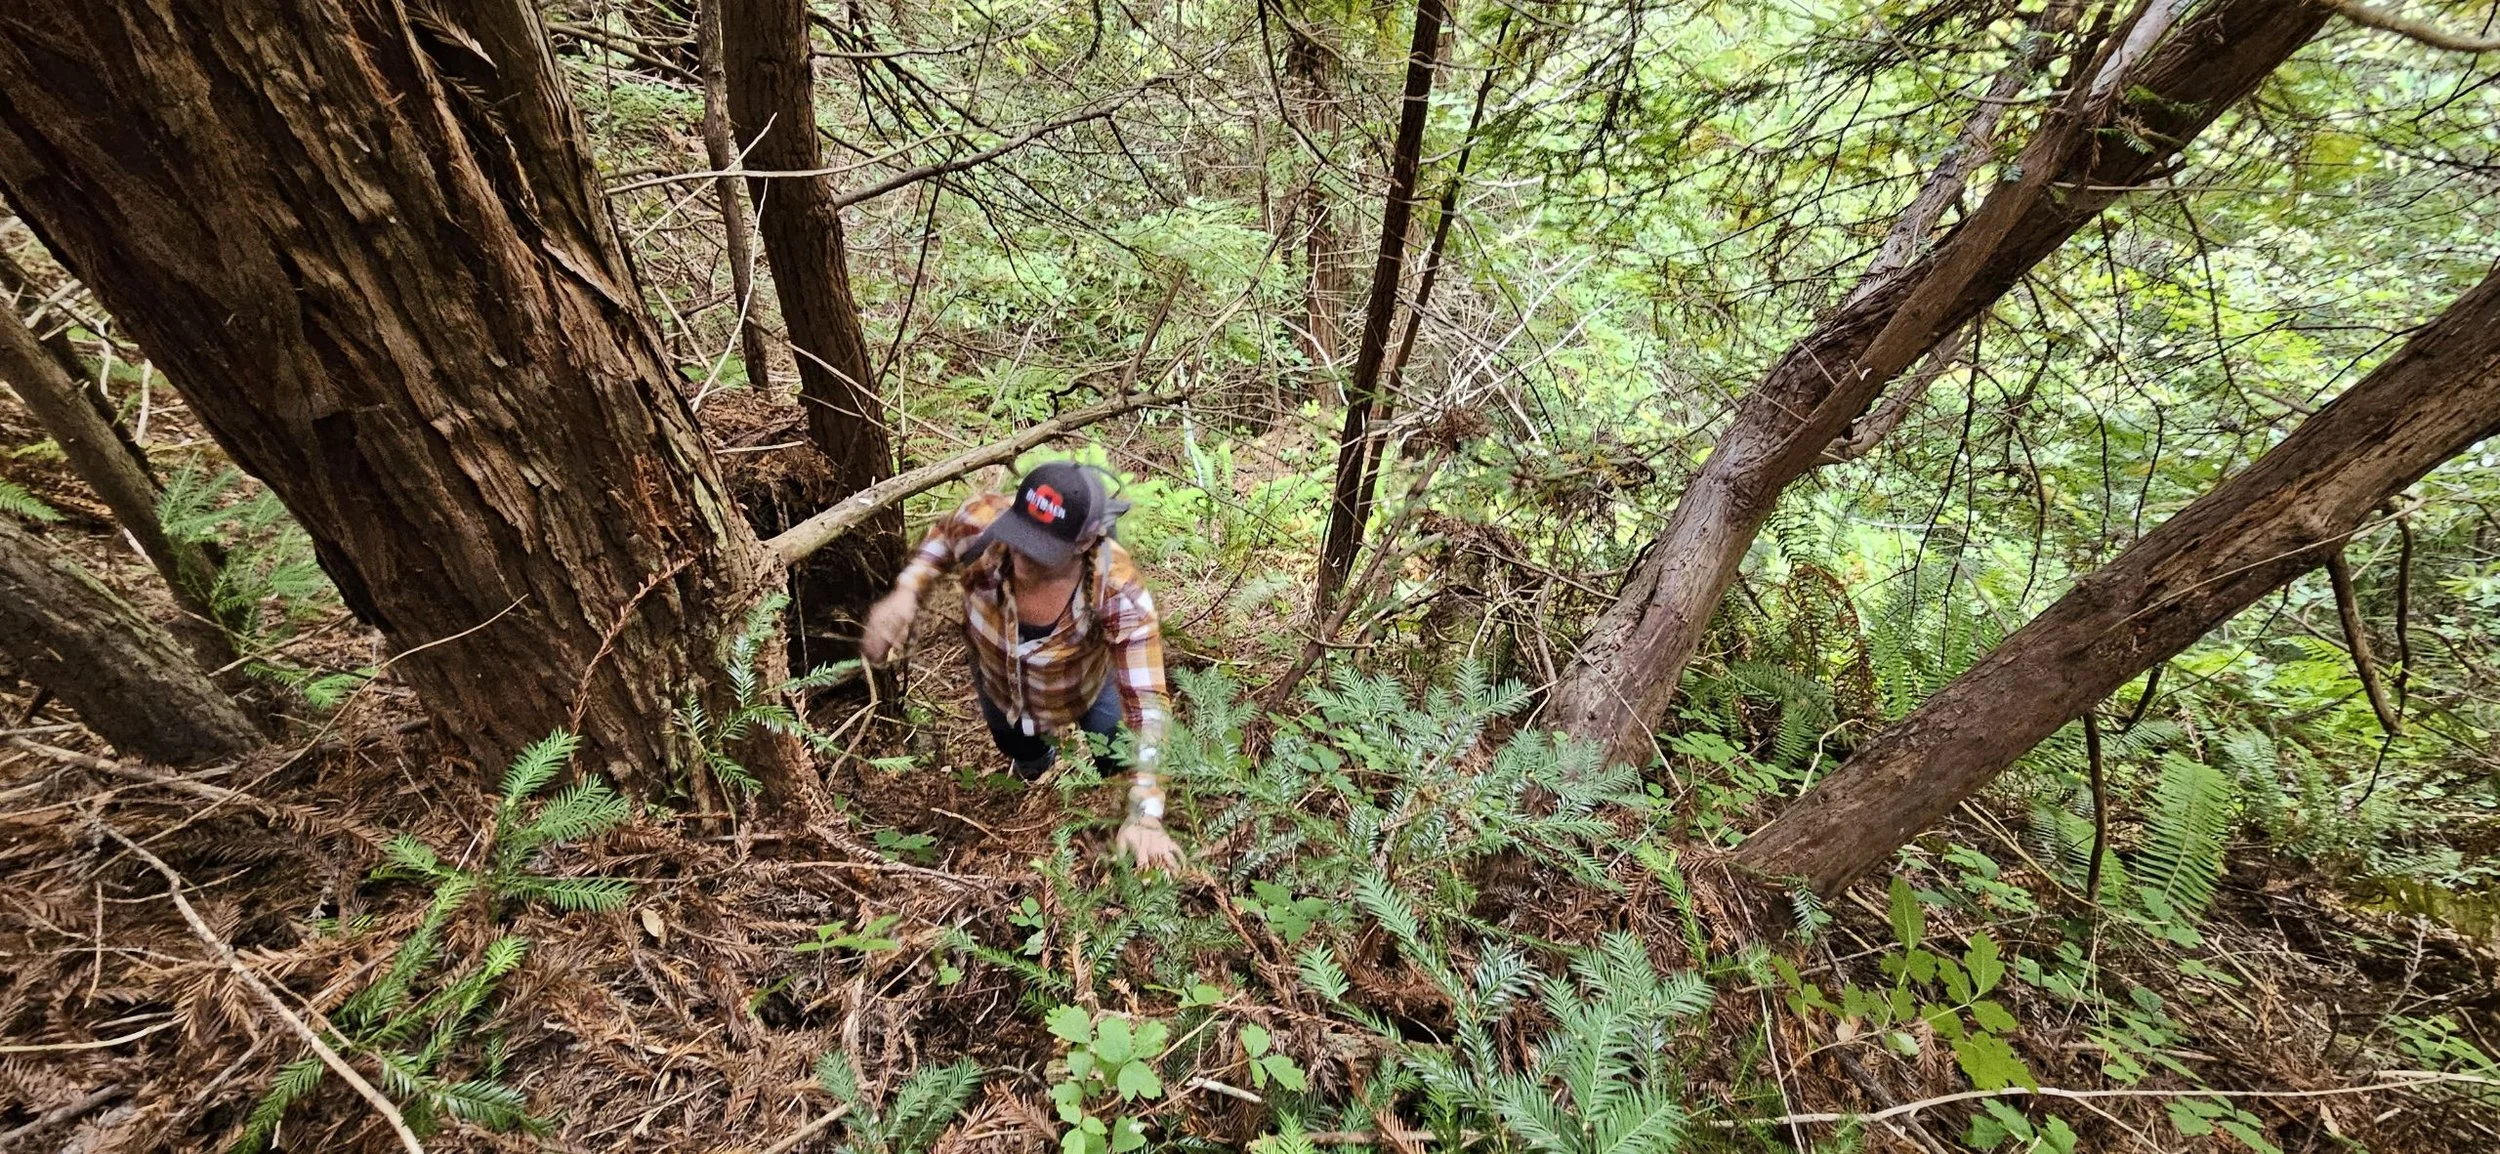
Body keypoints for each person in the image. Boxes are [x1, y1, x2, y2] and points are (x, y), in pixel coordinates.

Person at [859, 461, 1184, 871]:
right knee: (1017, 745)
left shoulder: (1118, 590)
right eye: (1020, 536)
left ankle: (1113, 815)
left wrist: (1146, 814)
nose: (1023, 555)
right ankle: (1035, 773)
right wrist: (908, 589)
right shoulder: (982, 525)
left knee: (1116, 754)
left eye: (1044, 549)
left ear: (1085, 544)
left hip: (1086, 685)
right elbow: (943, 537)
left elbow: (1148, 704)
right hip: (999, 682)